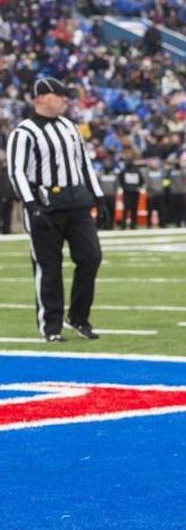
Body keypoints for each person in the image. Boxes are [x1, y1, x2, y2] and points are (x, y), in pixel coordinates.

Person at [4, 77, 103, 342]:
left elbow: (83, 164)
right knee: (49, 267)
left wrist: (98, 196)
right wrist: (32, 206)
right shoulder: (23, 132)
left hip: (77, 203)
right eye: (58, 95)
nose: (64, 99)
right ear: (40, 98)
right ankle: (51, 326)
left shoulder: (70, 127)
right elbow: (17, 172)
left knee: (91, 257)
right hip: (45, 207)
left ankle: (78, 317)